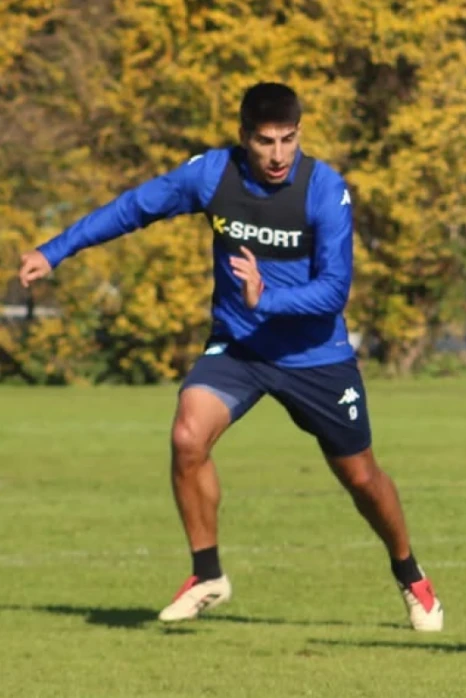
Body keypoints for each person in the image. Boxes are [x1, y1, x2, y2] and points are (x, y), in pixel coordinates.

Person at [17, 82, 443, 631]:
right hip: (239, 347)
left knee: (361, 478)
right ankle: (207, 574)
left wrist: (270, 297)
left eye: (288, 140)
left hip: (316, 355)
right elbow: (135, 208)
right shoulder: (211, 175)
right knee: (187, 436)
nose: (277, 154)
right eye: (265, 141)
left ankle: (411, 575)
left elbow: (336, 289)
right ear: (245, 138)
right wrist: (55, 251)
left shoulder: (324, 189)